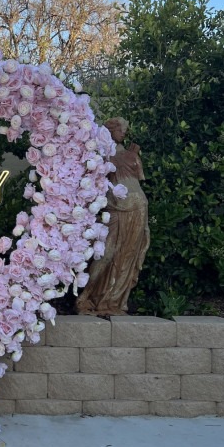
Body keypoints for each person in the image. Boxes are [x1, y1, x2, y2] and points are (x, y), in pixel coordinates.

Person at [77, 117, 150, 316]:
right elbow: (94, 182)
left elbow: (137, 180)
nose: (124, 133)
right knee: (107, 253)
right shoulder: (101, 154)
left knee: (128, 255)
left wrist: (133, 156)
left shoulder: (131, 154)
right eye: (121, 129)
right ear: (110, 130)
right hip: (116, 209)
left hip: (139, 207)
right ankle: (85, 296)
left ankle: (114, 300)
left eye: (125, 129)